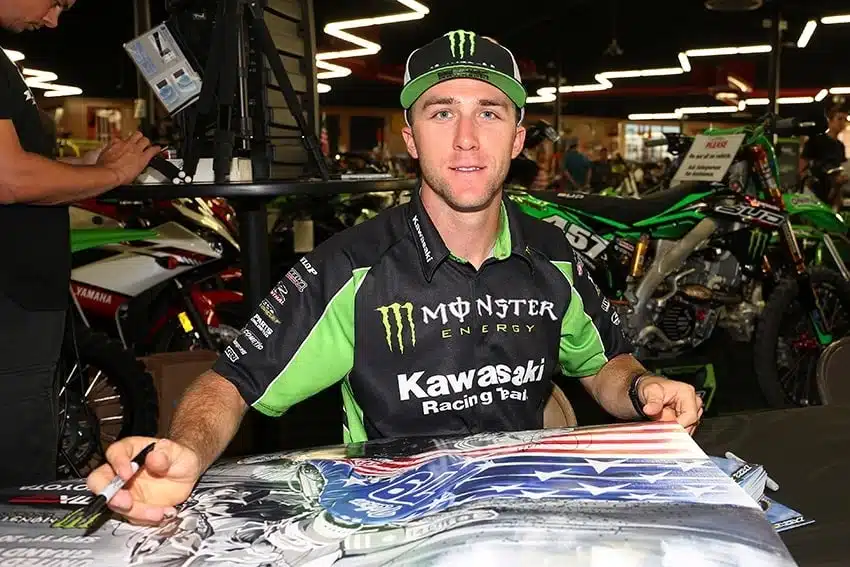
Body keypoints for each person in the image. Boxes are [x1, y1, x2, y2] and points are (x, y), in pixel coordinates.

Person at [87, 29, 702, 526]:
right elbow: (231, 383)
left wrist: (644, 388)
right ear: (410, 137)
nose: (466, 139)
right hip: (395, 518)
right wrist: (185, 453)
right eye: (442, 113)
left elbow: (603, 364)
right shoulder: (349, 267)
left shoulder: (554, 254)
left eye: (488, 113)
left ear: (518, 138)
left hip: (525, 511)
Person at [0, 0, 160, 486]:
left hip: (21, 300)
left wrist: (90, 168)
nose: (53, 20)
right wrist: (111, 175)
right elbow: (10, 178)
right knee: (19, 473)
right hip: (10, 304)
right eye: (57, 1)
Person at [799, 106, 849, 211]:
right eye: (839, 119)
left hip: (832, 191)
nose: (842, 122)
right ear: (830, 121)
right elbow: (803, 164)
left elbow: (841, 166)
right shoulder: (816, 141)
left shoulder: (840, 146)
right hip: (815, 189)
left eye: (845, 119)